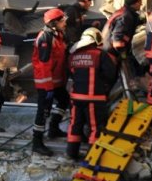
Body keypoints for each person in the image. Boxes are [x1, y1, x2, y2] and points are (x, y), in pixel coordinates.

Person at [67, 28, 118, 160]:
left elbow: (71, 73)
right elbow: (110, 74)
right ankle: (92, 157)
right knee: (96, 127)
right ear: (96, 39)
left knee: (75, 125)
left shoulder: (73, 55)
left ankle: (71, 153)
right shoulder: (100, 55)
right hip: (94, 98)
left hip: (76, 98)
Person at [31, 8, 71, 156]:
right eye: (62, 20)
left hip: (56, 80)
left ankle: (53, 128)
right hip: (46, 82)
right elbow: (44, 64)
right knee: (43, 111)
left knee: (64, 100)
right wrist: (48, 88)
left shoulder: (58, 35)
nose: (65, 22)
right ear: (54, 23)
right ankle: (37, 143)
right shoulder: (46, 38)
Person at [102, 0, 143, 89]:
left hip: (109, 48)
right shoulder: (126, 15)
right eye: (140, 2)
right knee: (112, 77)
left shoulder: (124, 12)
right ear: (134, 3)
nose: (141, 4)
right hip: (111, 51)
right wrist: (123, 53)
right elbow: (117, 37)